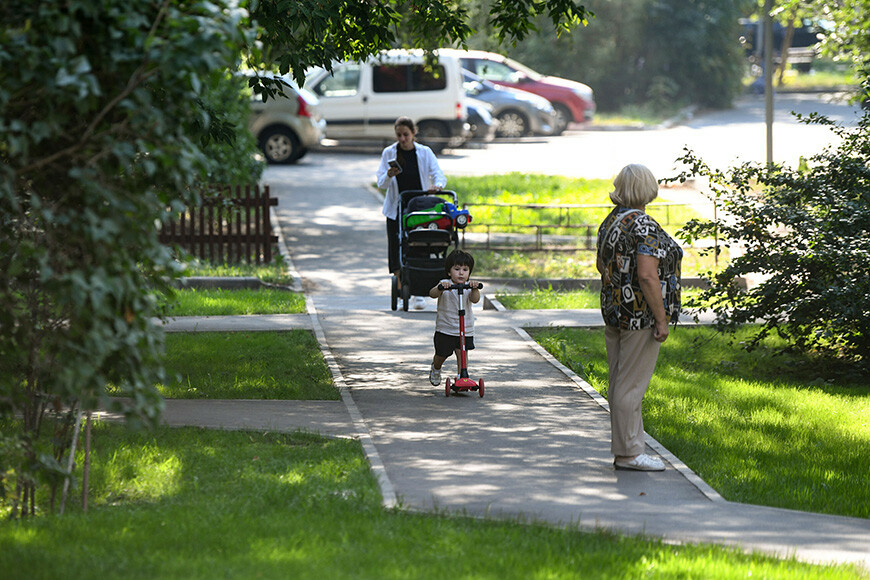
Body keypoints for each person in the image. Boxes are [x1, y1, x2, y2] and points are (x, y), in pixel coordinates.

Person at [596, 164, 682, 472]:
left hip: (615, 313)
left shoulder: (612, 222)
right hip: (639, 317)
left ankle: (626, 451)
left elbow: (601, 266)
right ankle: (630, 454)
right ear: (647, 188)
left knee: (620, 382)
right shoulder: (643, 225)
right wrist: (661, 318)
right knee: (631, 386)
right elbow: (648, 276)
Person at [376, 116, 446, 310]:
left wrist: (437, 185)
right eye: (399, 135)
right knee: (396, 246)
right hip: (396, 207)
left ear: (414, 133)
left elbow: (437, 173)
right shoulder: (389, 153)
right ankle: (401, 287)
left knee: (419, 242)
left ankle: (418, 291)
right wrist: (389, 175)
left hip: (419, 207)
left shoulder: (424, 152)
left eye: (406, 135)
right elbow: (381, 182)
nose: (402, 139)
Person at [427, 249, 481, 386]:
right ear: (449, 271)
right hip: (446, 329)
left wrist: (475, 289)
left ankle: (461, 376)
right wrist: (440, 288)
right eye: (457, 269)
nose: (461, 273)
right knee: (442, 354)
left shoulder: (469, 286)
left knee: (462, 353)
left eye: (465, 269)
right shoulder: (445, 284)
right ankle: (436, 368)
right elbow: (432, 294)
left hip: (466, 328)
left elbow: (475, 300)